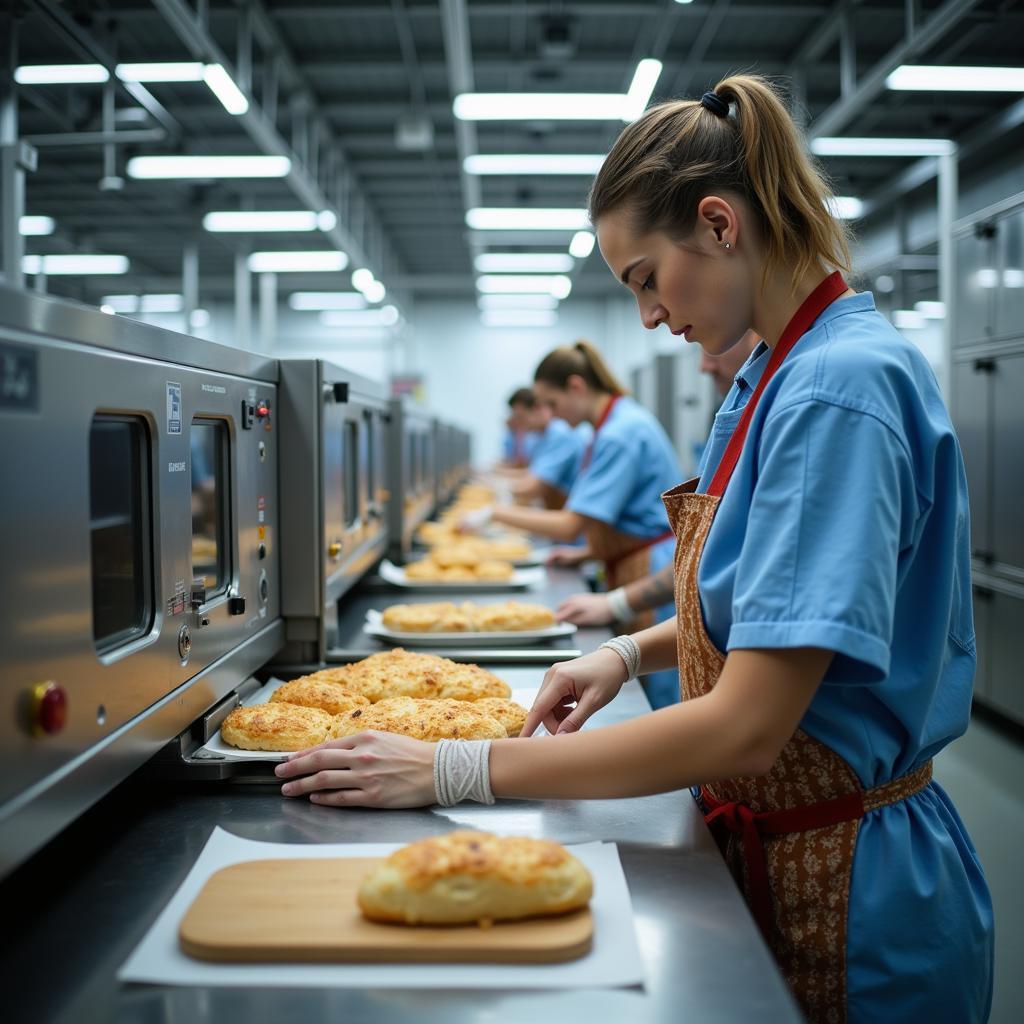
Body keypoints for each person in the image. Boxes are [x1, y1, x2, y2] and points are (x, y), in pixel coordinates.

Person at [275, 74, 993, 1023]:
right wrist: (625, 650)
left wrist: (456, 767)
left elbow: (746, 724)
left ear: (719, 223)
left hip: (855, 890)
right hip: (773, 846)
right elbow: (768, 603)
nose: (649, 315)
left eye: (646, 278)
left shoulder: (833, 392)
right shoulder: (774, 379)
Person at [460, 339, 683, 709]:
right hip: (630, 556)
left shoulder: (620, 433)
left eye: (552, 403)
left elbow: (568, 524)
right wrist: (587, 553)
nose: (550, 414)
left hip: (651, 567)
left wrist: (494, 513)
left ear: (576, 387)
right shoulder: (610, 425)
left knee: (652, 690)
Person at [558, 328, 761, 627]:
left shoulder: (622, 433)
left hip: (672, 577)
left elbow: (710, 543)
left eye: (711, 348)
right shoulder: (731, 410)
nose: (704, 367)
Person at [503, 387, 591, 510]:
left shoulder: (561, 432)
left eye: (521, 417)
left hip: (571, 509)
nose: (520, 424)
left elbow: (535, 486)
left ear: (537, 408)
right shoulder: (541, 436)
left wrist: (498, 490)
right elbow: (532, 473)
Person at [495, 388, 540, 469]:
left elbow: (528, 467)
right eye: (515, 415)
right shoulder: (515, 433)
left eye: (520, 416)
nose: (518, 420)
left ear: (536, 410)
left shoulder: (545, 436)